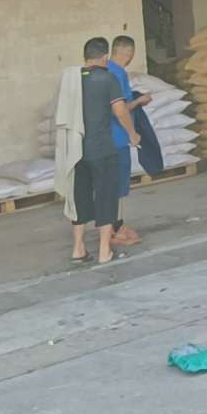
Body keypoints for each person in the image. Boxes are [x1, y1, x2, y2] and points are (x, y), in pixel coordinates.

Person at [70, 38, 138, 266]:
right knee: (106, 197)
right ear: (105, 57)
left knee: (79, 198)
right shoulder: (107, 78)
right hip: (102, 149)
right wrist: (132, 133)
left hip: (77, 150)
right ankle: (104, 251)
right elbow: (120, 111)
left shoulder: (73, 79)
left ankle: (78, 249)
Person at [107, 35, 153, 246]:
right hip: (117, 137)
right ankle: (116, 229)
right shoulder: (118, 74)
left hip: (103, 138)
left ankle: (113, 226)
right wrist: (140, 101)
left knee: (108, 185)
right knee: (119, 186)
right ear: (129, 53)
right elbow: (120, 109)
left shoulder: (102, 71)